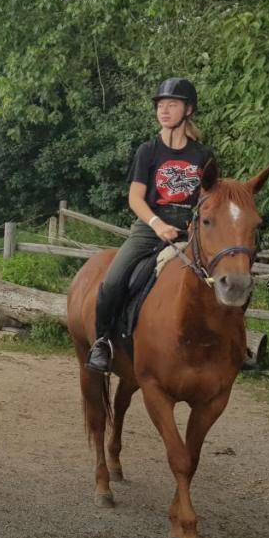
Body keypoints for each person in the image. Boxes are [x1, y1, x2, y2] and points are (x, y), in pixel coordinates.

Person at [86, 77, 215, 373]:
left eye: (172, 104)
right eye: (160, 105)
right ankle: (102, 342)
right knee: (114, 280)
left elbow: (211, 200)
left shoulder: (203, 156)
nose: (164, 110)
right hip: (149, 228)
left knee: (226, 273)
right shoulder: (148, 151)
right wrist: (158, 225)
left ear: (188, 109)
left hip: (191, 230)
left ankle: (233, 342)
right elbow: (135, 198)